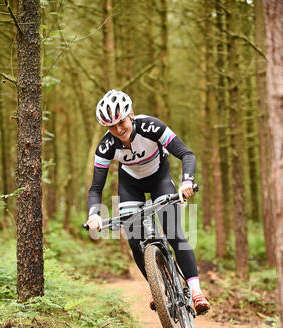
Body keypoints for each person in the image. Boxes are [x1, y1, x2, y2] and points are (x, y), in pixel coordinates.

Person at [86, 89, 210, 314]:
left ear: (130, 114)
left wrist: (186, 182)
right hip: (130, 184)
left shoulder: (152, 126)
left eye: (121, 122)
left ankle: (195, 291)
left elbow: (186, 154)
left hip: (159, 178)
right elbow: (96, 188)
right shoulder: (105, 147)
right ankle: (158, 290)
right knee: (134, 238)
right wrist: (94, 214)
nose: (118, 130)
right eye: (111, 127)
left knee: (173, 231)